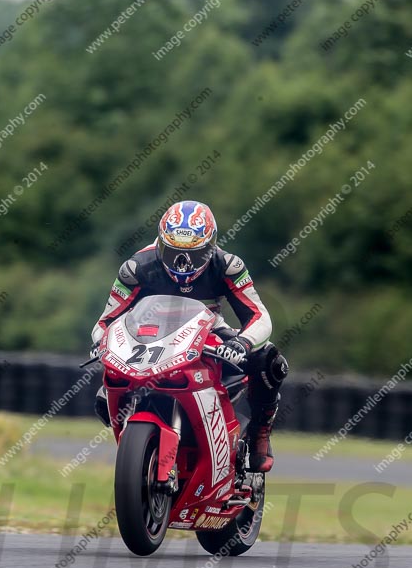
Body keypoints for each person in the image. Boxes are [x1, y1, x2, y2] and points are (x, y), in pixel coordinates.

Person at [91, 200, 288, 472]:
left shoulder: (228, 265)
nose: (183, 264)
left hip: (208, 331)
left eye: (194, 255)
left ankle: (259, 433)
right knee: (103, 397)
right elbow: (106, 321)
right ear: (160, 244)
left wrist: (241, 343)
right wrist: (102, 343)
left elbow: (259, 316)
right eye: (173, 254)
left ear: (210, 247)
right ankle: (139, 453)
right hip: (147, 339)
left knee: (270, 360)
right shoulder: (136, 267)